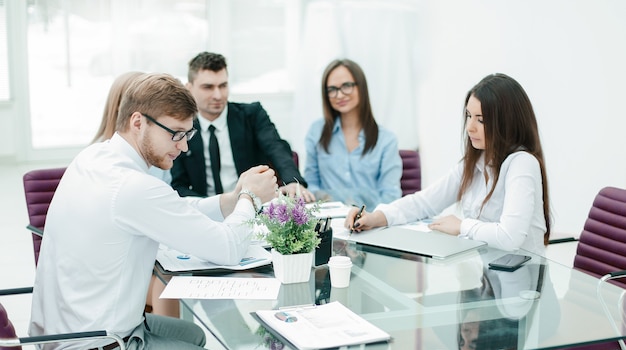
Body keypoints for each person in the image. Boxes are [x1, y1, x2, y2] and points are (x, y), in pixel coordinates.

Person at [29, 73, 277, 350]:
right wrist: (250, 198)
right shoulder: (131, 187)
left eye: (188, 135)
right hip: (98, 343)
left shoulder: (94, 157)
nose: (184, 147)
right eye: (176, 134)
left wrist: (230, 201)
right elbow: (228, 248)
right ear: (138, 122)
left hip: (62, 330)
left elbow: (174, 208)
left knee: (193, 336)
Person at [346, 73, 551, 255]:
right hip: (490, 278)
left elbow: (510, 237)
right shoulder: (475, 163)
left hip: (526, 286)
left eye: (481, 120)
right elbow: (424, 202)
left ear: (507, 122)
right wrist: (376, 217)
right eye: (469, 116)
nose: (470, 127)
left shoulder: (522, 163)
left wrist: (462, 226)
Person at [92, 71, 179, 318]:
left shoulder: (154, 151)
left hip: (154, 244)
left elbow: (168, 200)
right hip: (120, 258)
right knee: (166, 281)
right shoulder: (104, 157)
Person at [171, 51, 314, 201]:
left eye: (223, 85)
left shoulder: (252, 115)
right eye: (208, 87)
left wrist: (292, 182)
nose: (218, 95)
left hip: (252, 207)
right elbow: (179, 186)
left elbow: (277, 148)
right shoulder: (181, 127)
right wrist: (213, 206)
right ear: (189, 88)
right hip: (206, 211)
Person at [304, 59, 402, 210]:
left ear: (360, 87)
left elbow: (390, 196)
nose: (339, 95)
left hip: (371, 223)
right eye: (332, 89)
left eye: (346, 86)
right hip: (329, 221)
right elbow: (311, 187)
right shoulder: (316, 132)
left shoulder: (386, 140)